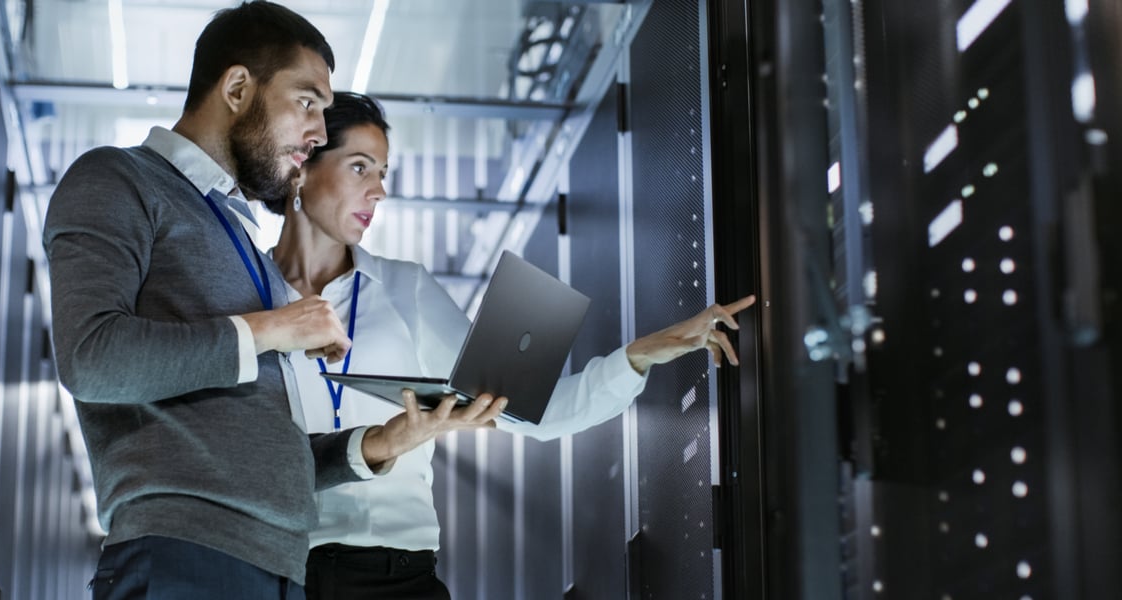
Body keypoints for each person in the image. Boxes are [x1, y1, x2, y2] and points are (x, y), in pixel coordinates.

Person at [42, 4, 504, 599]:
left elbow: (265, 452)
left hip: (277, 569)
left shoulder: (237, 238)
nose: (316, 132)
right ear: (238, 87)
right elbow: (91, 358)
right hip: (184, 556)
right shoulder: (118, 179)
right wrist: (269, 330)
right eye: (307, 102)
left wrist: (380, 443)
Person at [265, 91, 757, 599]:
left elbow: (532, 412)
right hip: (270, 570)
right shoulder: (246, 297)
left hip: (393, 577)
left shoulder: (403, 289)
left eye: (383, 173)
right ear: (302, 166)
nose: (379, 191)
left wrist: (640, 355)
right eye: (361, 168)